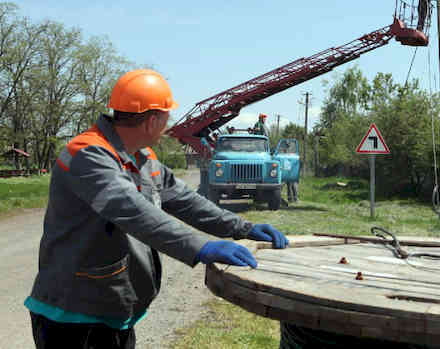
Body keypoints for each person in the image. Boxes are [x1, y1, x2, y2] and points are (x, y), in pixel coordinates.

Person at [25, 69, 289, 349]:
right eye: (166, 116)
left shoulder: (144, 157)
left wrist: (242, 228)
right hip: (72, 315)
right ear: (153, 120)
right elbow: (135, 212)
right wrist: (201, 247)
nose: (168, 125)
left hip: (112, 309)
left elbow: (186, 200)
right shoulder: (88, 154)